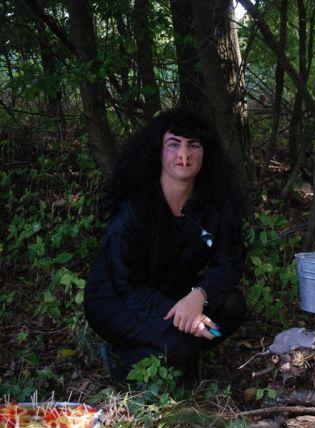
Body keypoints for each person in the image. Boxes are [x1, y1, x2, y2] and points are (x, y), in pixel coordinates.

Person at [84, 108, 247, 384]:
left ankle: (174, 351)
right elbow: (128, 286)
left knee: (233, 306)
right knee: (182, 344)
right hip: (117, 299)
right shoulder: (135, 207)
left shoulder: (215, 202)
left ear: (206, 152)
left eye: (193, 145)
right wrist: (184, 319)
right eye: (173, 144)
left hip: (172, 291)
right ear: (158, 151)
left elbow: (230, 261)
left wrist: (199, 295)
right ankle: (120, 355)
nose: (184, 155)